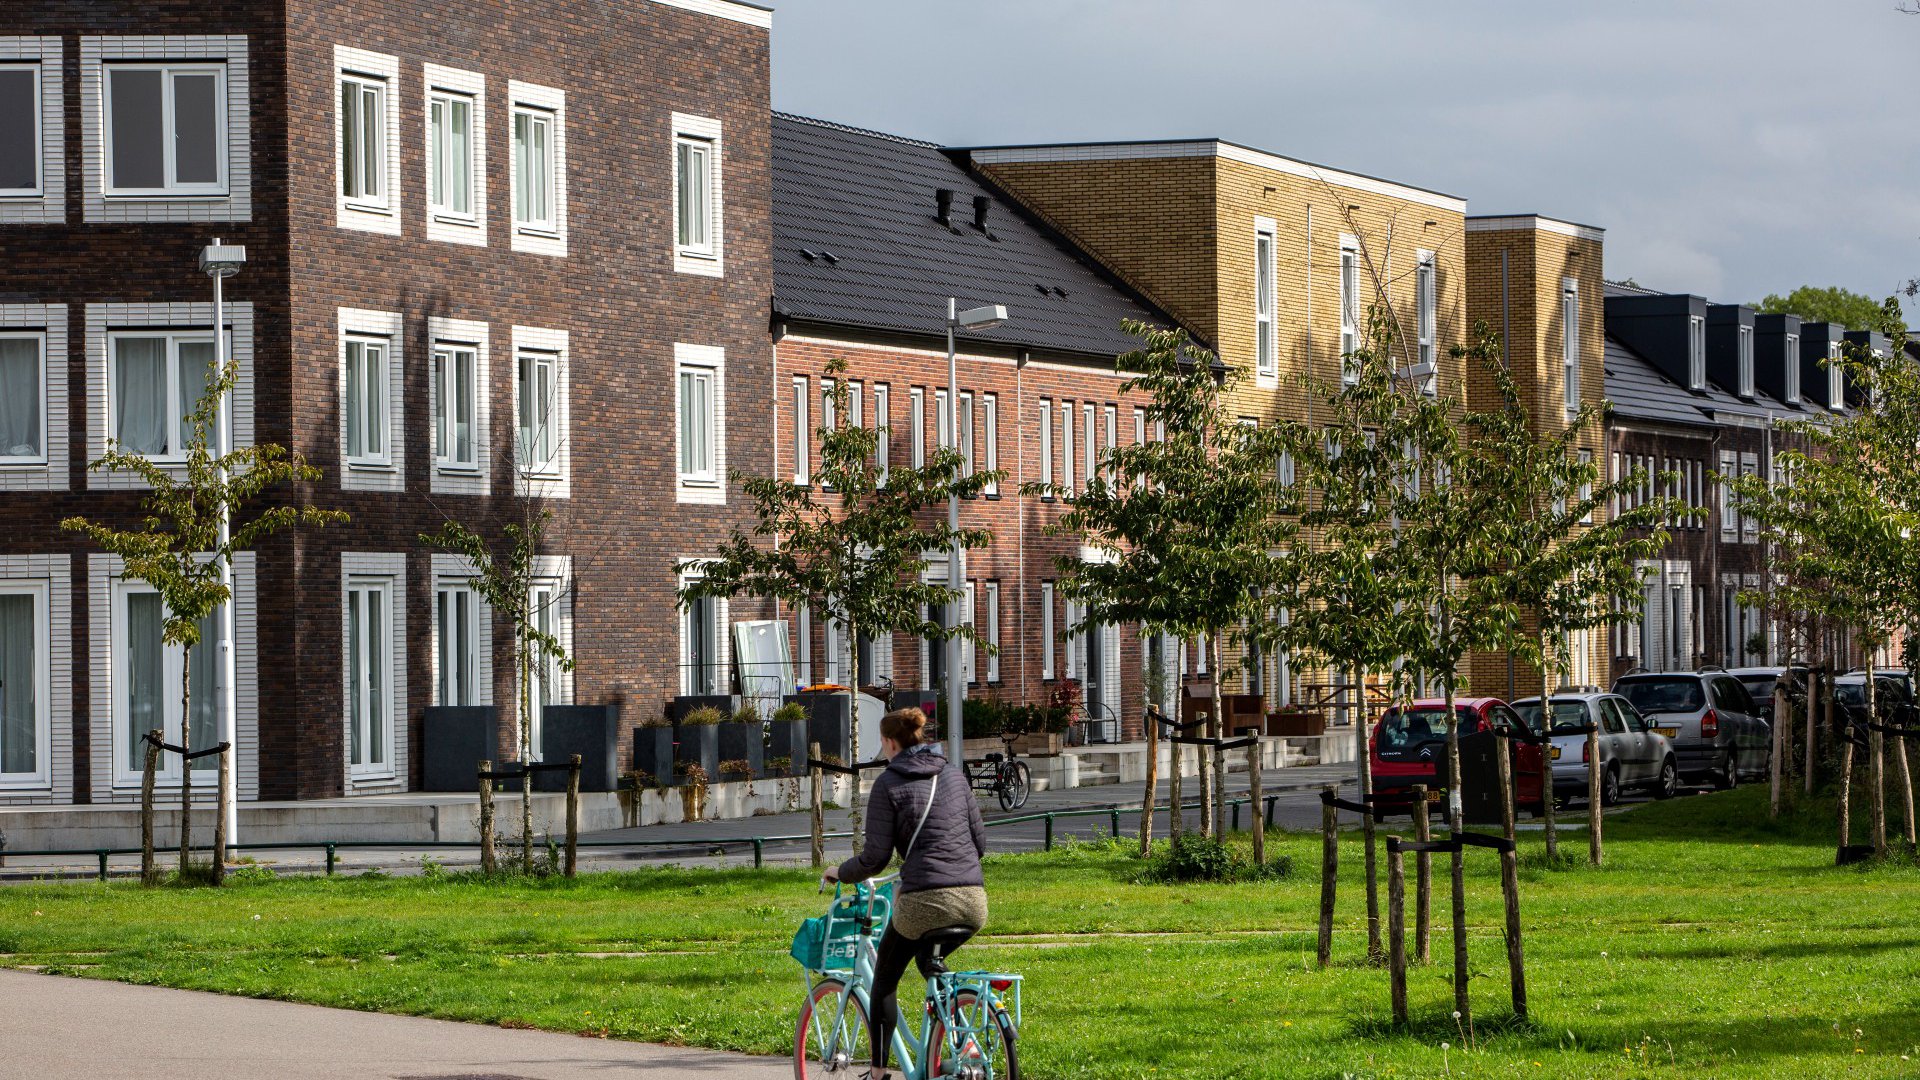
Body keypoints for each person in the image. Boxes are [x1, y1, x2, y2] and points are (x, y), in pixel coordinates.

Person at [822, 706, 987, 1080]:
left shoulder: (888, 783)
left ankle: (878, 1074)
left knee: (883, 978)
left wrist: (839, 872)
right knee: (930, 963)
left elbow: (875, 859)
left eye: (881, 742)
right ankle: (965, 1039)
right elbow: (980, 843)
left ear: (890, 742)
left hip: (925, 902)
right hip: (974, 902)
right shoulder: (954, 775)